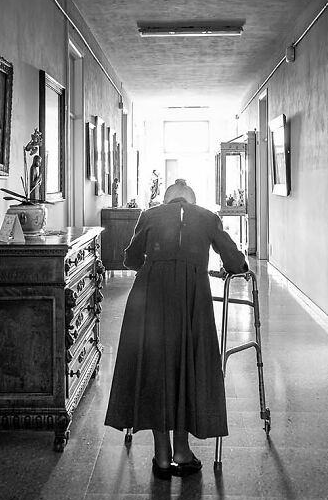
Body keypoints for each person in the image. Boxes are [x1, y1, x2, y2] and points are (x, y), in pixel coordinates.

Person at [104, 179, 249, 479]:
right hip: (192, 302)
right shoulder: (208, 218)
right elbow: (236, 261)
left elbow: (130, 259)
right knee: (186, 365)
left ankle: (161, 455)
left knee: (156, 368)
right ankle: (181, 450)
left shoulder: (150, 215)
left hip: (150, 301)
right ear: (191, 201)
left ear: (167, 200)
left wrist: (156, 261)